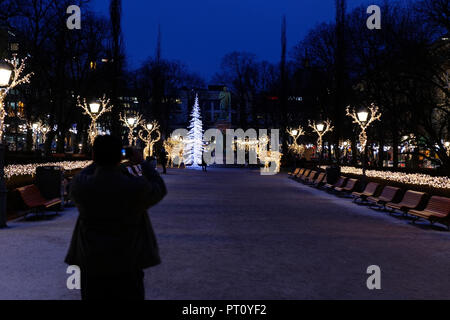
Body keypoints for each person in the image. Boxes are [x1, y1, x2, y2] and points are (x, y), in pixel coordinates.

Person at [65, 135, 167, 300]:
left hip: (93, 262)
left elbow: (73, 182)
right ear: (121, 157)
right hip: (128, 261)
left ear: (93, 156)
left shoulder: (83, 186)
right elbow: (159, 188)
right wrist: (142, 163)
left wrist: (97, 161)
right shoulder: (135, 187)